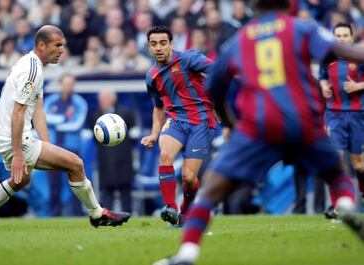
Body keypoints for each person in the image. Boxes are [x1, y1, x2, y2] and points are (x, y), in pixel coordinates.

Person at [154, 1, 364, 264]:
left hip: (259, 125)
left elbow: (215, 89)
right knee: (337, 172)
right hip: (302, 121)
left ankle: (186, 254)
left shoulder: (238, 41)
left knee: (209, 191)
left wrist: (232, 123)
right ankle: (344, 204)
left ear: (254, 5)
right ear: (287, 4)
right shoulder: (301, 28)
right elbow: (336, 49)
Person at [0, 25, 130, 232]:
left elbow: (38, 109)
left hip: (5, 134)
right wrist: (17, 154)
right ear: (41, 45)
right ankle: (97, 214)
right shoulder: (31, 71)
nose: (62, 50)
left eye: (63, 45)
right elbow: (18, 112)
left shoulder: (32, 65)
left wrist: (47, 146)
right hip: (12, 137)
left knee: (21, 180)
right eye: (57, 45)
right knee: (75, 164)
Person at [141, 26, 216, 227]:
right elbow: (158, 108)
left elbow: (215, 70)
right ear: (148, 47)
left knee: (189, 178)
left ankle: (185, 213)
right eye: (154, 44)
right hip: (175, 120)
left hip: (201, 120)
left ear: (171, 44)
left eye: (163, 43)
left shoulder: (189, 59)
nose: (158, 48)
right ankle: (170, 208)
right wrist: (154, 134)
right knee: (165, 155)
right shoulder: (151, 76)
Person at [319, 23, 364, 201]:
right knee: (334, 162)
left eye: (345, 35)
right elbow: (322, 76)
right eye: (338, 35)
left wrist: (358, 86)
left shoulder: (359, 57)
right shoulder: (327, 57)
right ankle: (338, 207)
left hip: (358, 115)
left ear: (351, 38)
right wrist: (324, 87)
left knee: (358, 165)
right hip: (334, 115)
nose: (342, 39)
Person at [44, 73, 87, 216]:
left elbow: (76, 125)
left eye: (71, 83)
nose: (68, 86)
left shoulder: (80, 102)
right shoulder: (50, 101)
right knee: (54, 183)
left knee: (77, 182)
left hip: (73, 148)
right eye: (65, 83)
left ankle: (77, 213)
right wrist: (63, 119)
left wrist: (56, 123)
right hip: (54, 147)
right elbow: (44, 118)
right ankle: (55, 213)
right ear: (60, 85)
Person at [90, 89, 137, 213]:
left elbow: (133, 136)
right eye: (100, 99)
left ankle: (128, 214)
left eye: (105, 98)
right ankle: (107, 214)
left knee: (125, 189)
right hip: (105, 159)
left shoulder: (125, 113)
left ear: (113, 99)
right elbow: (94, 138)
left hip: (124, 158)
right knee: (106, 190)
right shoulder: (96, 116)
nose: (102, 101)